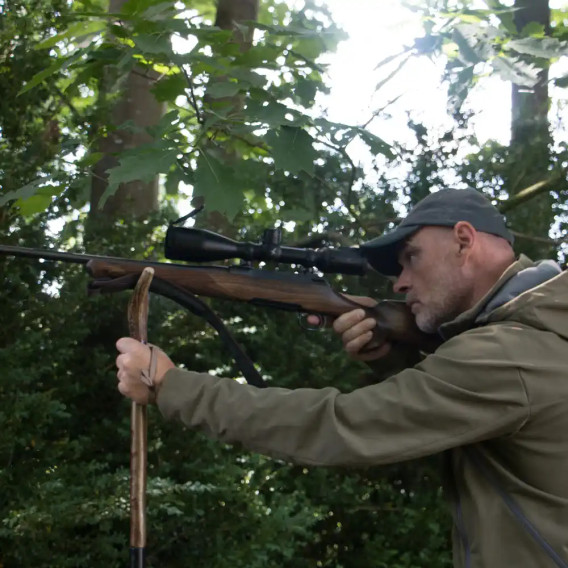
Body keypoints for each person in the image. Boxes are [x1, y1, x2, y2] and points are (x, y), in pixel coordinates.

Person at [115, 188, 568, 568]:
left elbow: (341, 427)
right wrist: (394, 358)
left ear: (464, 241)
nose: (400, 283)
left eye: (411, 258)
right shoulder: (538, 335)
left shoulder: (507, 354)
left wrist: (170, 384)